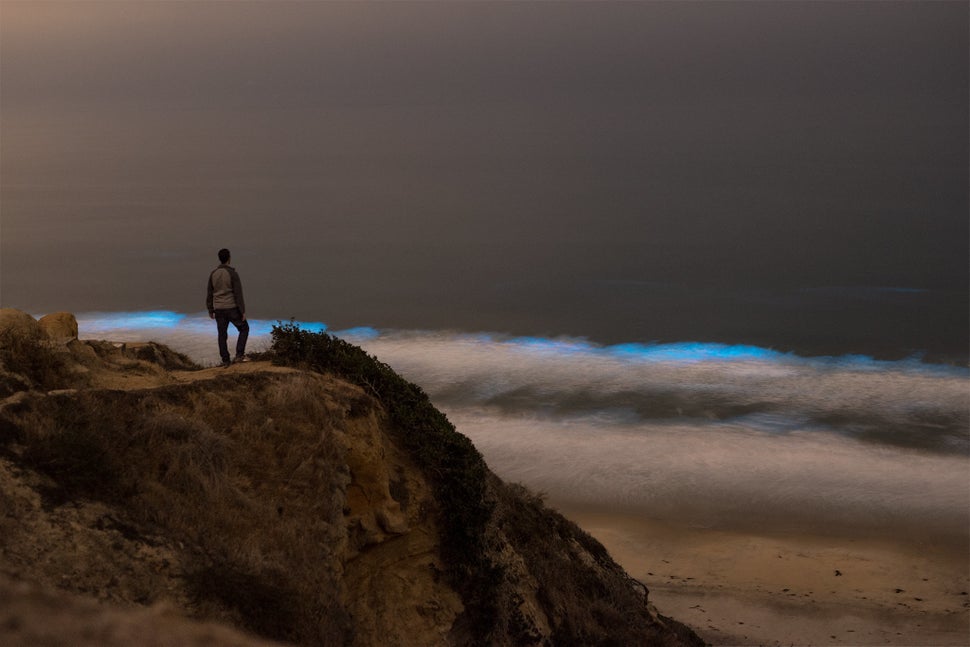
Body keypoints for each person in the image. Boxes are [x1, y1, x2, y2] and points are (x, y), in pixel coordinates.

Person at [206, 248, 249, 367]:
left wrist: (210, 309)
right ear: (229, 258)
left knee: (222, 334)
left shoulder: (213, 274)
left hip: (219, 309)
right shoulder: (232, 273)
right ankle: (239, 355)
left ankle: (225, 360)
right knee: (244, 329)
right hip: (232, 307)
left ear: (219, 259)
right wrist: (242, 311)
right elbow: (238, 294)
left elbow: (209, 293)